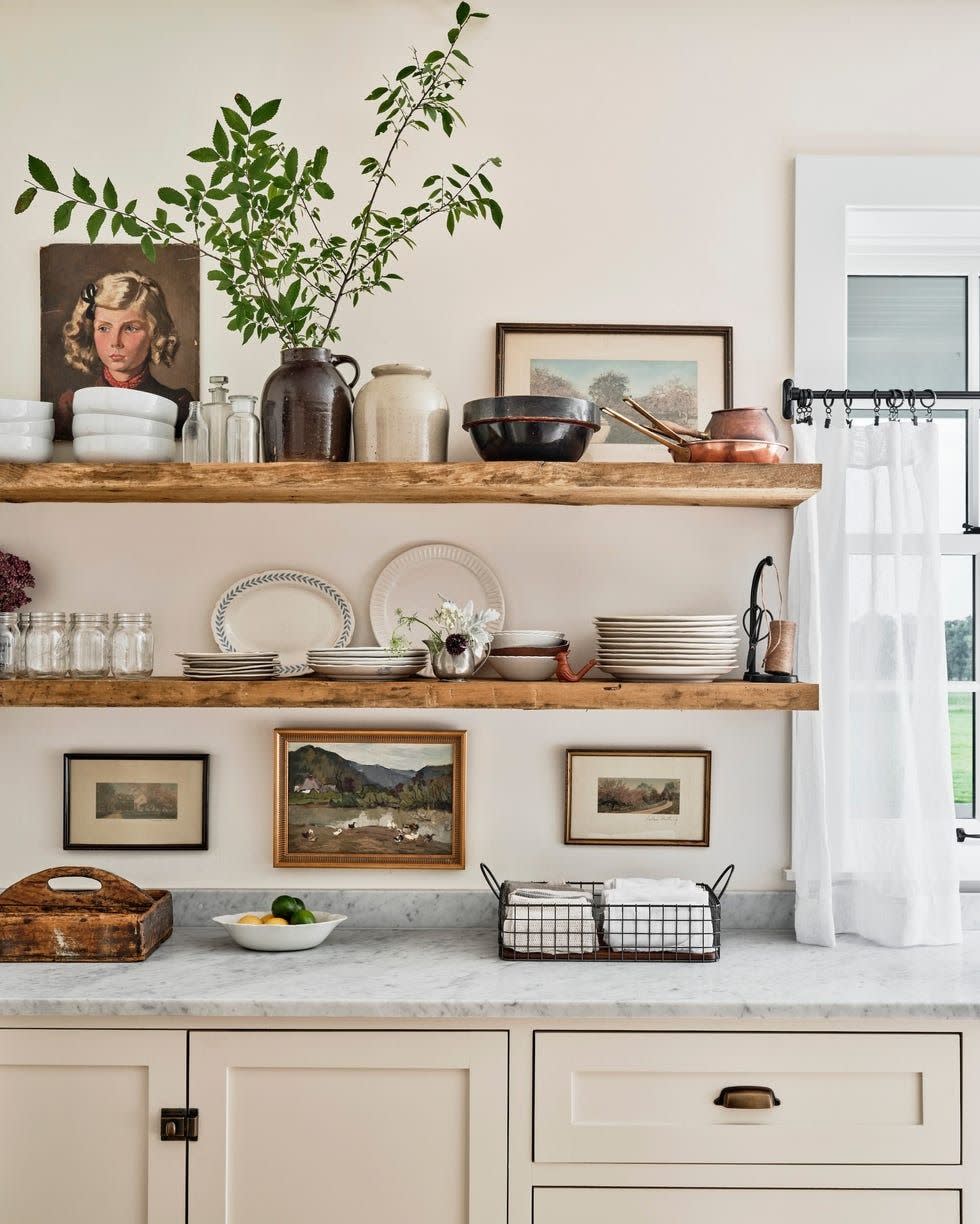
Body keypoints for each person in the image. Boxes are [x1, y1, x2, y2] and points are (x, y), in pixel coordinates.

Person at [56, 271, 193, 440]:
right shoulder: (72, 405)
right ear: (91, 331)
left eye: (130, 328)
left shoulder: (177, 403)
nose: (115, 342)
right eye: (104, 328)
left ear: (154, 333)